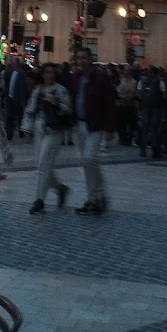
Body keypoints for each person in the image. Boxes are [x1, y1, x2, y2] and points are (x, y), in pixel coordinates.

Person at [21, 62, 72, 213]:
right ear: (42, 74)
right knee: (42, 165)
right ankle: (60, 188)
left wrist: (56, 104)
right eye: (47, 72)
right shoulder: (38, 90)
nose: (50, 75)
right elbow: (30, 110)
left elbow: (68, 110)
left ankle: (39, 199)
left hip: (54, 131)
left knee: (43, 165)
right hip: (40, 129)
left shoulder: (61, 90)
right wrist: (26, 128)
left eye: (52, 72)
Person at [70, 47, 116, 214]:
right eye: (78, 58)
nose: (81, 61)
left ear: (90, 59)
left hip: (95, 124)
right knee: (87, 162)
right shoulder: (76, 77)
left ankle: (98, 195)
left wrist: (110, 127)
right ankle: (94, 198)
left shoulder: (100, 76)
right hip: (79, 124)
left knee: (89, 159)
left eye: (84, 58)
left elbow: (109, 102)